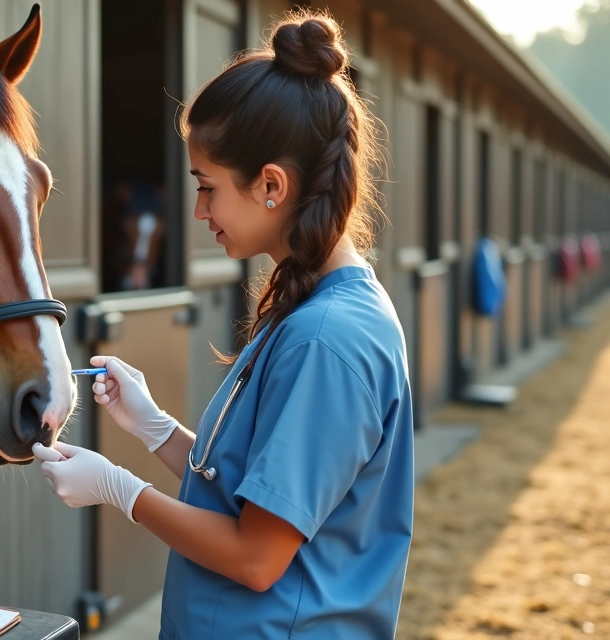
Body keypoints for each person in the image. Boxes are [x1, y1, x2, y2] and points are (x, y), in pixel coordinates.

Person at [32, 10, 413, 639]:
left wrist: (117, 488)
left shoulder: (328, 338)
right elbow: (253, 493)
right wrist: (154, 429)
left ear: (271, 184)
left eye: (207, 187)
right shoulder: (310, 310)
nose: (199, 209)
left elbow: (256, 557)